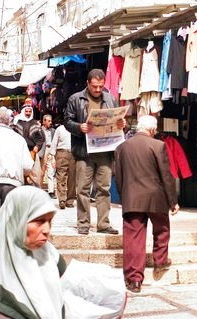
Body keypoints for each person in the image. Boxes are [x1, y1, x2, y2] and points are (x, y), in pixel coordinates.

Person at [0, 186, 66, 319]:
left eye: (49, 221)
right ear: (17, 219)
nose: (47, 229)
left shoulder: (51, 259)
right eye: (39, 221)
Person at [114, 115, 179, 293]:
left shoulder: (121, 147)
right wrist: (173, 201)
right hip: (156, 197)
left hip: (132, 198)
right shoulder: (158, 145)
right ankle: (160, 261)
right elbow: (166, 176)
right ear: (152, 130)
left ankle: (134, 280)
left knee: (133, 238)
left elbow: (118, 177)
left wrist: (123, 196)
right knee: (162, 230)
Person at [64, 68, 125, 235]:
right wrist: (79, 127)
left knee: (104, 189)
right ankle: (83, 223)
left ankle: (103, 224)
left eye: (100, 86)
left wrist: (121, 124)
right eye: (94, 86)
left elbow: (117, 120)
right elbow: (67, 121)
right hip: (84, 152)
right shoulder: (76, 99)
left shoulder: (111, 99)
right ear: (88, 84)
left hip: (105, 152)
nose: (97, 90)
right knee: (82, 188)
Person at [13, 104, 45, 187]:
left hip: (32, 152)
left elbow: (41, 138)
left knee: (36, 175)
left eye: (30, 111)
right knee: (21, 174)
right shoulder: (17, 124)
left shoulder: (36, 124)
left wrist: (37, 146)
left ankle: (37, 194)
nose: (28, 113)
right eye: (26, 111)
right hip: (19, 152)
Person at [50, 123, 76, 209]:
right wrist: (52, 157)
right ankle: (62, 200)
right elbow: (54, 143)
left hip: (74, 153)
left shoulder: (76, 128)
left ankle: (70, 200)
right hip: (61, 153)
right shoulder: (60, 129)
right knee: (61, 177)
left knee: (72, 178)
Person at [39, 114, 56, 199]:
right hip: (43, 150)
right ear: (44, 121)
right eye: (48, 121)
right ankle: (38, 189)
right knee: (41, 171)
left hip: (51, 150)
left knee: (51, 171)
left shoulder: (53, 131)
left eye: (50, 120)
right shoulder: (39, 130)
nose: (50, 122)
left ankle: (51, 191)